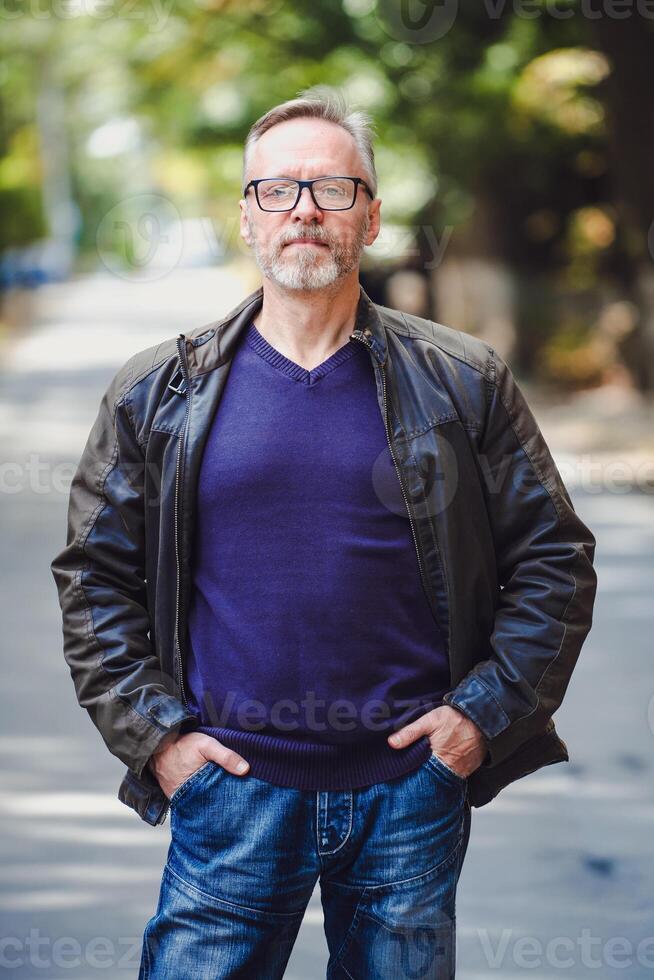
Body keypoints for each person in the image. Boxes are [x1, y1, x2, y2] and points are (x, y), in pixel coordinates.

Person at [51, 86, 597, 979]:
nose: (304, 209)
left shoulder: (463, 382)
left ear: (371, 217)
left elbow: (554, 561)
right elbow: (93, 580)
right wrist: (161, 742)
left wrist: (478, 720)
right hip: (231, 796)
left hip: (408, 798)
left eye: (333, 190)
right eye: (277, 190)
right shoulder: (157, 394)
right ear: (246, 217)